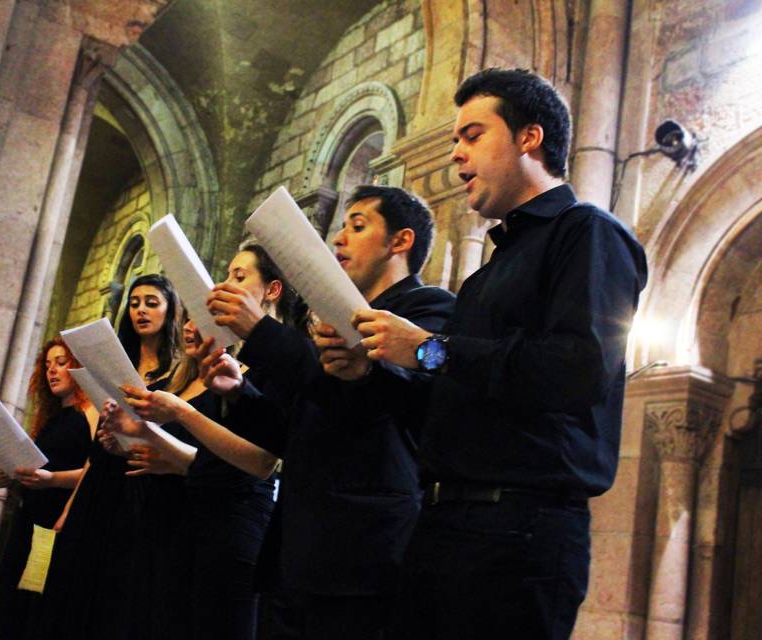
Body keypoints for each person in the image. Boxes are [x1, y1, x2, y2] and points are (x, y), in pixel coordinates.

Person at [352, 68, 648, 638]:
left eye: (472, 135)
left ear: (528, 138)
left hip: (519, 534)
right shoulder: (492, 272)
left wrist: (432, 351)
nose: (456, 155)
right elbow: (448, 408)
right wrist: (372, 369)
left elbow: (577, 368)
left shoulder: (586, 233)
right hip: (444, 522)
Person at [206, 188, 455, 639]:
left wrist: (263, 333)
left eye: (357, 226)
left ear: (400, 241)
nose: (339, 239)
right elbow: (293, 434)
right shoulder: (329, 320)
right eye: (341, 226)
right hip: (297, 548)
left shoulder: (427, 310)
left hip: (362, 551)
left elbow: (380, 406)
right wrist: (240, 392)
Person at [111, 244, 308, 640]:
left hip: (237, 521)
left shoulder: (286, 357)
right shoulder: (225, 359)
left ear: (272, 290)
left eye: (240, 277)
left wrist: (179, 416)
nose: (226, 285)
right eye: (227, 275)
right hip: (190, 515)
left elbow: (261, 462)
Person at [31, 274, 186, 639]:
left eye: (152, 302)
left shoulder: (178, 372)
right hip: (99, 479)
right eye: (134, 303)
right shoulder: (114, 365)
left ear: (171, 311)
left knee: (117, 590)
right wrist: (68, 509)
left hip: (137, 483)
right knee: (73, 584)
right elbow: (94, 448)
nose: (141, 310)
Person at [0, 338, 97, 640]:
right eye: (47, 365)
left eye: (62, 363)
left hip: (54, 525)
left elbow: (96, 473)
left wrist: (51, 479)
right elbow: (40, 467)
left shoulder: (89, 411)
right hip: (29, 519)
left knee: (33, 606)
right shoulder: (51, 419)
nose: (53, 371)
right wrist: (12, 475)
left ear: (78, 367)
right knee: (11, 594)